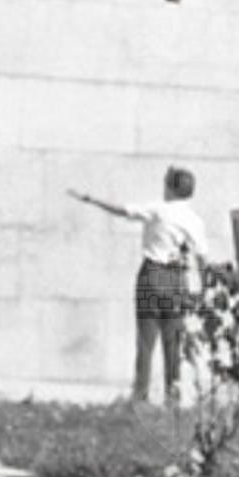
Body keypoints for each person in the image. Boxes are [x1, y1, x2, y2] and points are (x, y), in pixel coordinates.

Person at [70, 166, 210, 405]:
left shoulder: (158, 209)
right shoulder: (195, 220)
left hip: (153, 274)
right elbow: (203, 258)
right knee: (173, 342)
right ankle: (173, 396)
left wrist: (92, 199)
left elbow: (122, 210)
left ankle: (140, 395)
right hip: (176, 279)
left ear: (171, 188)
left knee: (146, 341)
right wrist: (203, 290)